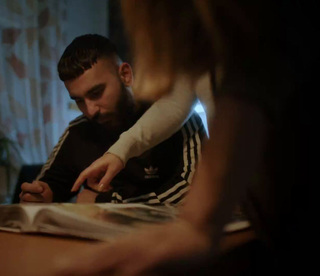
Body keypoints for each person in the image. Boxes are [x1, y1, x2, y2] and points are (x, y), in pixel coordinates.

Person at [52, 0, 317, 275]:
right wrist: (119, 152)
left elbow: (249, 90)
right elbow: (178, 101)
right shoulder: (205, 41)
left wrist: (198, 224)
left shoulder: (266, 29)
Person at [19, 34, 207, 205]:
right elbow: (53, 182)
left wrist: (106, 201)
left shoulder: (175, 119)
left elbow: (194, 191)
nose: (90, 110)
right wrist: (41, 194)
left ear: (125, 75)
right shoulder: (79, 131)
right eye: (79, 100)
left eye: (97, 93)